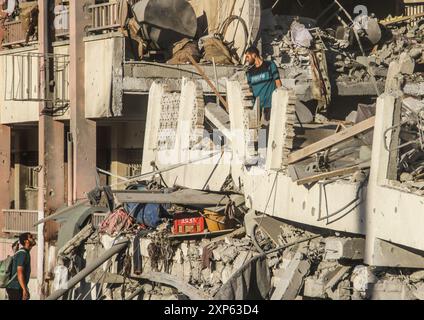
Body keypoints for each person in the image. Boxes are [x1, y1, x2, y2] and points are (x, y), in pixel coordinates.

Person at [245, 46, 282, 126]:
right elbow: (249, 89)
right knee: (256, 129)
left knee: (267, 128)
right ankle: (261, 138)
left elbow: (278, 82)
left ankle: (267, 138)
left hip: (269, 105)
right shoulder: (249, 72)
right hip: (257, 106)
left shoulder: (269, 65)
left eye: (248, 56)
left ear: (254, 55)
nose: (246, 59)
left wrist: (280, 100)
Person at [6, 232, 36, 300]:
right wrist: (24, 289)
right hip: (15, 288)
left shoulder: (25, 253)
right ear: (26, 241)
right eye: (31, 237)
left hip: (17, 287)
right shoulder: (22, 254)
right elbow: (19, 272)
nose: (33, 238)